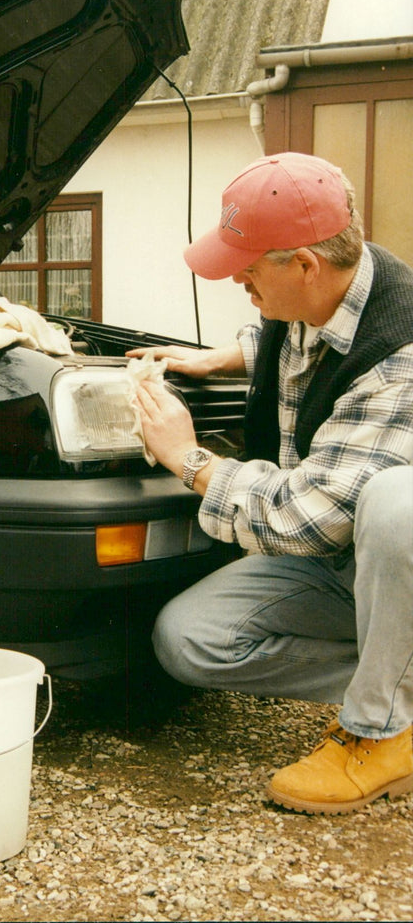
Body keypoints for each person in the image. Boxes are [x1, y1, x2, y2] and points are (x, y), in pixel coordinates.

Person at [128, 151, 413, 815]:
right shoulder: (326, 292)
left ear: (304, 264)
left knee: (398, 504)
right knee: (189, 638)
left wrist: (188, 458)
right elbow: (302, 334)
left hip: (392, 558)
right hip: (349, 571)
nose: (238, 282)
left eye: (247, 269)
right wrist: (222, 356)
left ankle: (382, 727)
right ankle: (398, 682)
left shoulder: (401, 360)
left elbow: (307, 518)